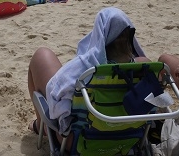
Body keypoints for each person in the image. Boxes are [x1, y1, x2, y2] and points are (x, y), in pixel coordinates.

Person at [27, 8, 149, 144]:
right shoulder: (143, 68)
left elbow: (54, 93)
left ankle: (40, 125)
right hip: (129, 138)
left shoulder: (85, 70)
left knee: (42, 55)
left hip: (78, 142)